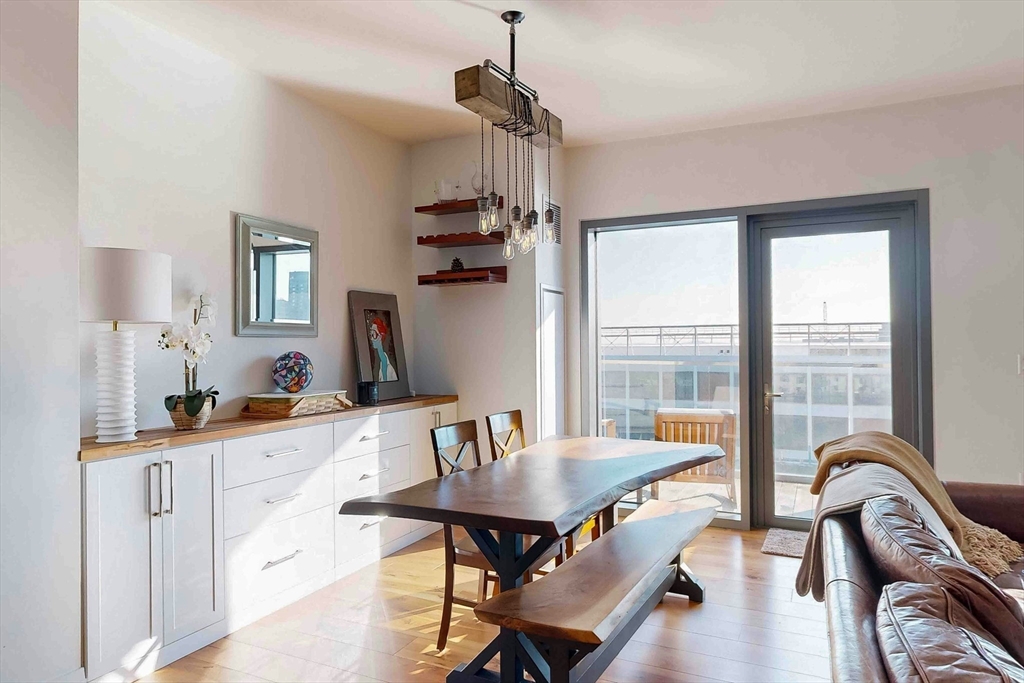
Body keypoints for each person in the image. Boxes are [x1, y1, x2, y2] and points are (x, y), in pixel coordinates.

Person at [368, 316, 398, 382]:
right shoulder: (380, 362)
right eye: (371, 335)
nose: (371, 339)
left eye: (373, 335)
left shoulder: (388, 366)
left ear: (380, 337)